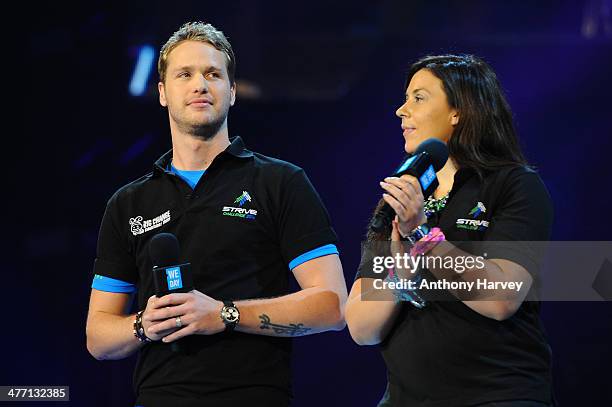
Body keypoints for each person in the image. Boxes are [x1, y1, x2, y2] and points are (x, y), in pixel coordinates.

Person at [86, 21, 347, 407]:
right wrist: (144, 323)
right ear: (162, 92)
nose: (200, 85)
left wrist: (224, 314)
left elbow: (333, 306)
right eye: (185, 74)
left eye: (213, 74)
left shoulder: (280, 182)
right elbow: (98, 337)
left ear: (233, 91)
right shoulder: (128, 203)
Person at [345, 54, 555, 406]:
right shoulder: (403, 195)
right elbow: (362, 328)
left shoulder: (515, 185)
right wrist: (402, 279)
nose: (401, 110)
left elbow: (501, 299)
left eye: (418, 98)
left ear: (458, 111)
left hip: (496, 395)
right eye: (405, 98)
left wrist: (421, 237)